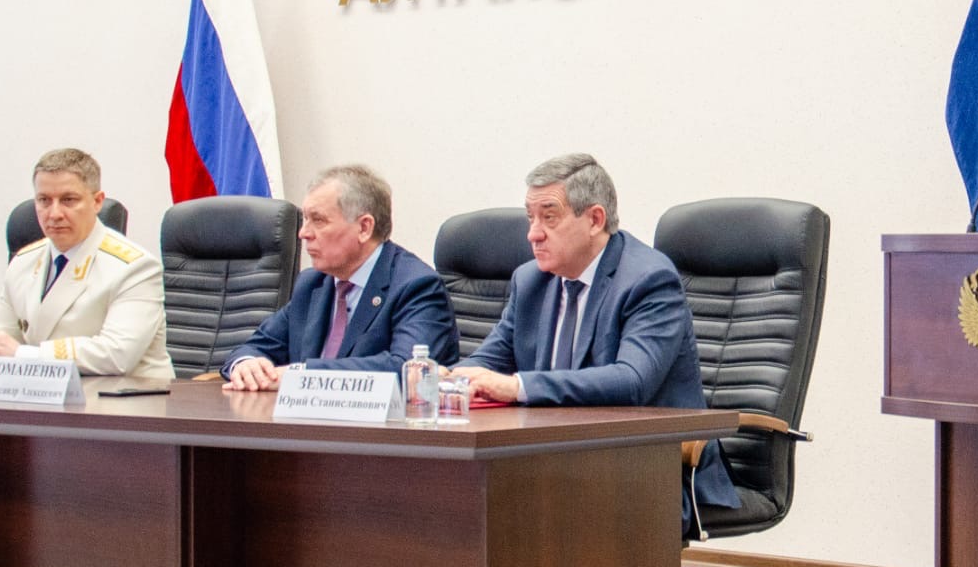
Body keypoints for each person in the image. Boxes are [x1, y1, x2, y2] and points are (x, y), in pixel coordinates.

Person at [450, 152, 739, 533]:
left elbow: (631, 381)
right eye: (530, 217)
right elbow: (487, 362)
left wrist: (518, 386)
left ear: (595, 219)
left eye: (548, 217)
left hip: (649, 466)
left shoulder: (648, 279)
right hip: (554, 460)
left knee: (519, 509)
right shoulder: (531, 281)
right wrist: (447, 378)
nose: (533, 233)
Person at [223, 164, 456, 388]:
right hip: (306, 423)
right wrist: (246, 365)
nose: (303, 233)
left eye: (318, 220)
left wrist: (301, 376)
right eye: (305, 219)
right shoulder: (312, 283)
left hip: (380, 426)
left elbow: (409, 369)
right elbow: (255, 348)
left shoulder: (416, 286)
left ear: (364, 228)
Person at [0, 148, 173, 379]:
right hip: (47, 397)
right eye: (44, 201)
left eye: (68, 200)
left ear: (97, 202)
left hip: (126, 401)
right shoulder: (24, 262)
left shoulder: (134, 268)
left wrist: (23, 355)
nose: (54, 213)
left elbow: (116, 355)